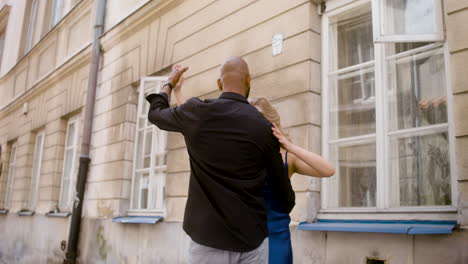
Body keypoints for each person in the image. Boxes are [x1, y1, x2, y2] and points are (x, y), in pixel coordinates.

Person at [146, 57, 295, 264]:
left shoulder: (196, 112)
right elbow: (285, 196)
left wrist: (169, 83)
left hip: (206, 241)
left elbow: (156, 113)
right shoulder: (263, 127)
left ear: (219, 83)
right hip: (251, 244)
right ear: (249, 81)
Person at [173, 76, 335, 264]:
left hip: (275, 237)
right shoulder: (239, 154)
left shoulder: (287, 158)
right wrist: (178, 93)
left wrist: (290, 146)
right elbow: (197, 122)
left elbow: (328, 170)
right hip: (243, 237)